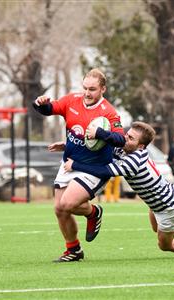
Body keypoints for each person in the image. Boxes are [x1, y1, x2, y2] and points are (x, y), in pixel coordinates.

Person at [63, 122, 174, 258]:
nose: (125, 139)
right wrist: (67, 146)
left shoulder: (135, 161)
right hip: (158, 202)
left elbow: (104, 171)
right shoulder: (126, 149)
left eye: (131, 138)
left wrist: (75, 165)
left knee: (164, 245)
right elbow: (103, 146)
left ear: (141, 146)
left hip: (168, 206)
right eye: (127, 135)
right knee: (158, 227)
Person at [33, 68, 125, 262]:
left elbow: (120, 139)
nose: (87, 93)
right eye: (85, 88)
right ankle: (73, 250)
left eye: (92, 89)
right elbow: (50, 109)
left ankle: (93, 212)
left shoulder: (108, 112)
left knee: (67, 204)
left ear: (103, 89)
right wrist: (40, 104)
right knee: (59, 209)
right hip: (69, 163)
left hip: (94, 169)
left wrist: (100, 133)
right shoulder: (72, 100)